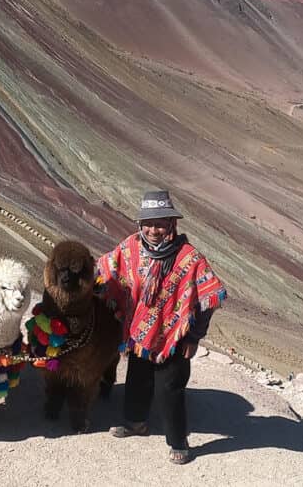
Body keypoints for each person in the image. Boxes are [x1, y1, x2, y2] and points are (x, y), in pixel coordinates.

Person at [96, 189, 226, 465]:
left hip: (174, 337)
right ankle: (135, 423)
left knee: (171, 388)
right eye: (148, 223)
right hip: (140, 333)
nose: (153, 229)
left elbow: (207, 297)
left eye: (160, 223)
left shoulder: (189, 258)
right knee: (137, 380)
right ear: (140, 225)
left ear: (171, 224)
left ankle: (178, 441)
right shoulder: (130, 247)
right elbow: (106, 268)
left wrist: (193, 336)